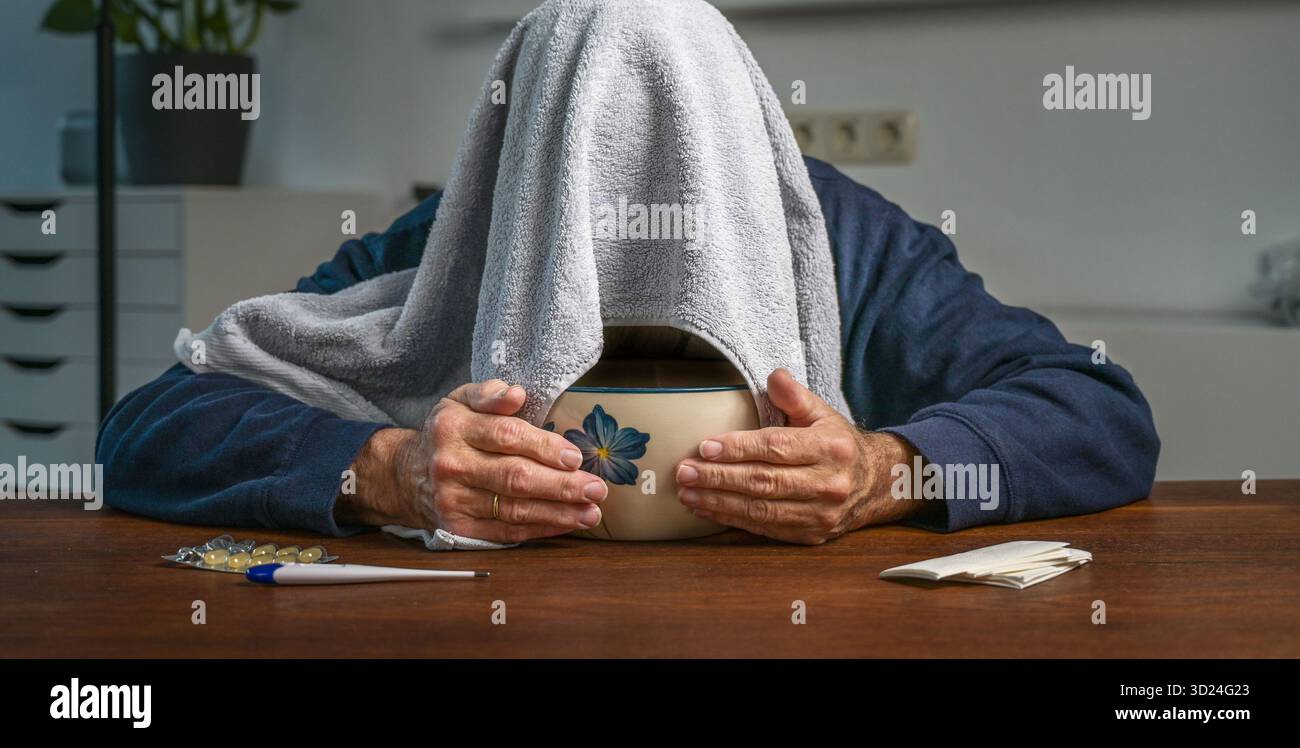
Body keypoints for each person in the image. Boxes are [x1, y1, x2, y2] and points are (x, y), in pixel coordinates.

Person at [97, 155, 1159, 545]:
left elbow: (1098, 407)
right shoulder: (466, 235)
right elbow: (148, 425)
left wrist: (888, 468)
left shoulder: (834, 236)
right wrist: (392, 470)